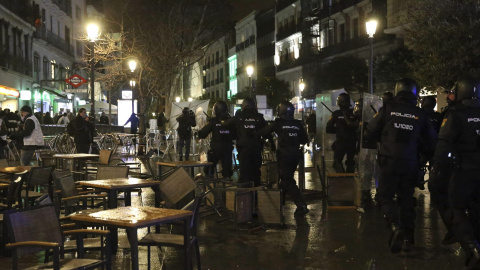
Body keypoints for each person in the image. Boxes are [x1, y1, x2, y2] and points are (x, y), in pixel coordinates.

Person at [364, 78, 437, 253]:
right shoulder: (421, 114)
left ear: (397, 91)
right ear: (415, 93)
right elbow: (432, 141)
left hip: (389, 160)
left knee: (384, 197)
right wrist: (421, 157)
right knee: (406, 200)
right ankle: (408, 240)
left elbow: (370, 132)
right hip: (410, 162)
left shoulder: (388, 109)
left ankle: (395, 226)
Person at [431, 77, 480, 268]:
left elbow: (444, 145)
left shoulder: (455, 114)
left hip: (463, 171)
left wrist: (437, 171)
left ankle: (472, 248)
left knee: (456, 207)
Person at [261, 101, 309, 215]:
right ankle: (279, 203)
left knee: (287, 180)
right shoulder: (298, 123)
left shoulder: (279, 122)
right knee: (285, 178)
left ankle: (301, 204)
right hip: (296, 155)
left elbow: (265, 132)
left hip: (284, 155)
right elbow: (304, 140)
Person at [223, 98, 269, 187]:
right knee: (256, 171)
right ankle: (256, 193)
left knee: (244, 172)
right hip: (256, 148)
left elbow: (226, 124)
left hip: (243, 149)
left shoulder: (239, 116)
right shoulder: (259, 117)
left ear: (243, 106)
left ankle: (245, 196)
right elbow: (266, 131)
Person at [197, 101, 234, 179]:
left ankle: (210, 175)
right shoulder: (231, 121)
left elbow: (203, 133)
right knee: (227, 168)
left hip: (216, 148)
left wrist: (198, 134)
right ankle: (227, 178)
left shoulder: (214, 121)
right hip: (228, 148)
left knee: (210, 163)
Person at [326, 93, 358, 173]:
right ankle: (350, 179)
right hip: (352, 141)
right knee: (350, 162)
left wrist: (337, 129)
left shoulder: (336, 114)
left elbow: (328, 128)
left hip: (340, 141)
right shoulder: (354, 113)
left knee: (337, 161)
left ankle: (342, 178)